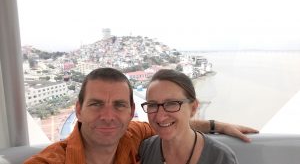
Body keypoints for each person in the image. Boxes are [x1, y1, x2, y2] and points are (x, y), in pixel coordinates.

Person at [24, 67, 257, 164]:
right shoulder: (51, 162)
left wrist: (218, 125)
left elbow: (169, 124)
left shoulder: (133, 136)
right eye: (95, 104)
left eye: (119, 105)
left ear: (132, 112)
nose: (108, 116)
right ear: (78, 110)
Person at [139, 69, 239, 164]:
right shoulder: (145, 150)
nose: (160, 117)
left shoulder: (220, 158)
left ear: (193, 108)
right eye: (152, 105)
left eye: (171, 103)